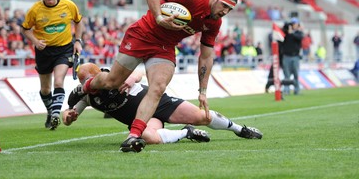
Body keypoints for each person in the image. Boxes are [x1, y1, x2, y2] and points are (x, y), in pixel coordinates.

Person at [82, 0, 238, 152]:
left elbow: (206, 56)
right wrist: (159, 18)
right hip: (142, 35)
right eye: (224, 6)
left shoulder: (215, 22)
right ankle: (87, 86)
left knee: (158, 88)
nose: (225, 12)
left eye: (230, 9)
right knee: (112, 82)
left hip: (165, 46)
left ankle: (133, 136)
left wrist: (203, 92)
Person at [64, 63, 262, 151]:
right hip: (144, 119)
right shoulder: (87, 96)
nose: (91, 87)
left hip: (160, 103)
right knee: (147, 137)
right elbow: (70, 115)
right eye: (86, 83)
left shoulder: (112, 76)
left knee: (204, 117)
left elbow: (137, 73)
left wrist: (132, 77)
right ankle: (187, 133)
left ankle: (239, 129)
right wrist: (68, 117)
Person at [21, 0, 84, 130]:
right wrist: (35, 41)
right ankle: (50, 112)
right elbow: (25, 29)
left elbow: (78, 21)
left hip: (64, 49)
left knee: (58, 81)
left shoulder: (68, 5)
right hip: (44, 51)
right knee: (45, 89)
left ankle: (55, 114)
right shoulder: (35, 10)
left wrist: (78, 41)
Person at [281, 18, 303, 95]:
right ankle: (286, 90)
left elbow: (299, 38)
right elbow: (282, 32)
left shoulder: (298, 33)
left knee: (296, 74)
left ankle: (297, 90)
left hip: (295, 56)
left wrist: (291, 33)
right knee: (286, 74)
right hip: (286, 56)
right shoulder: (286, 33)